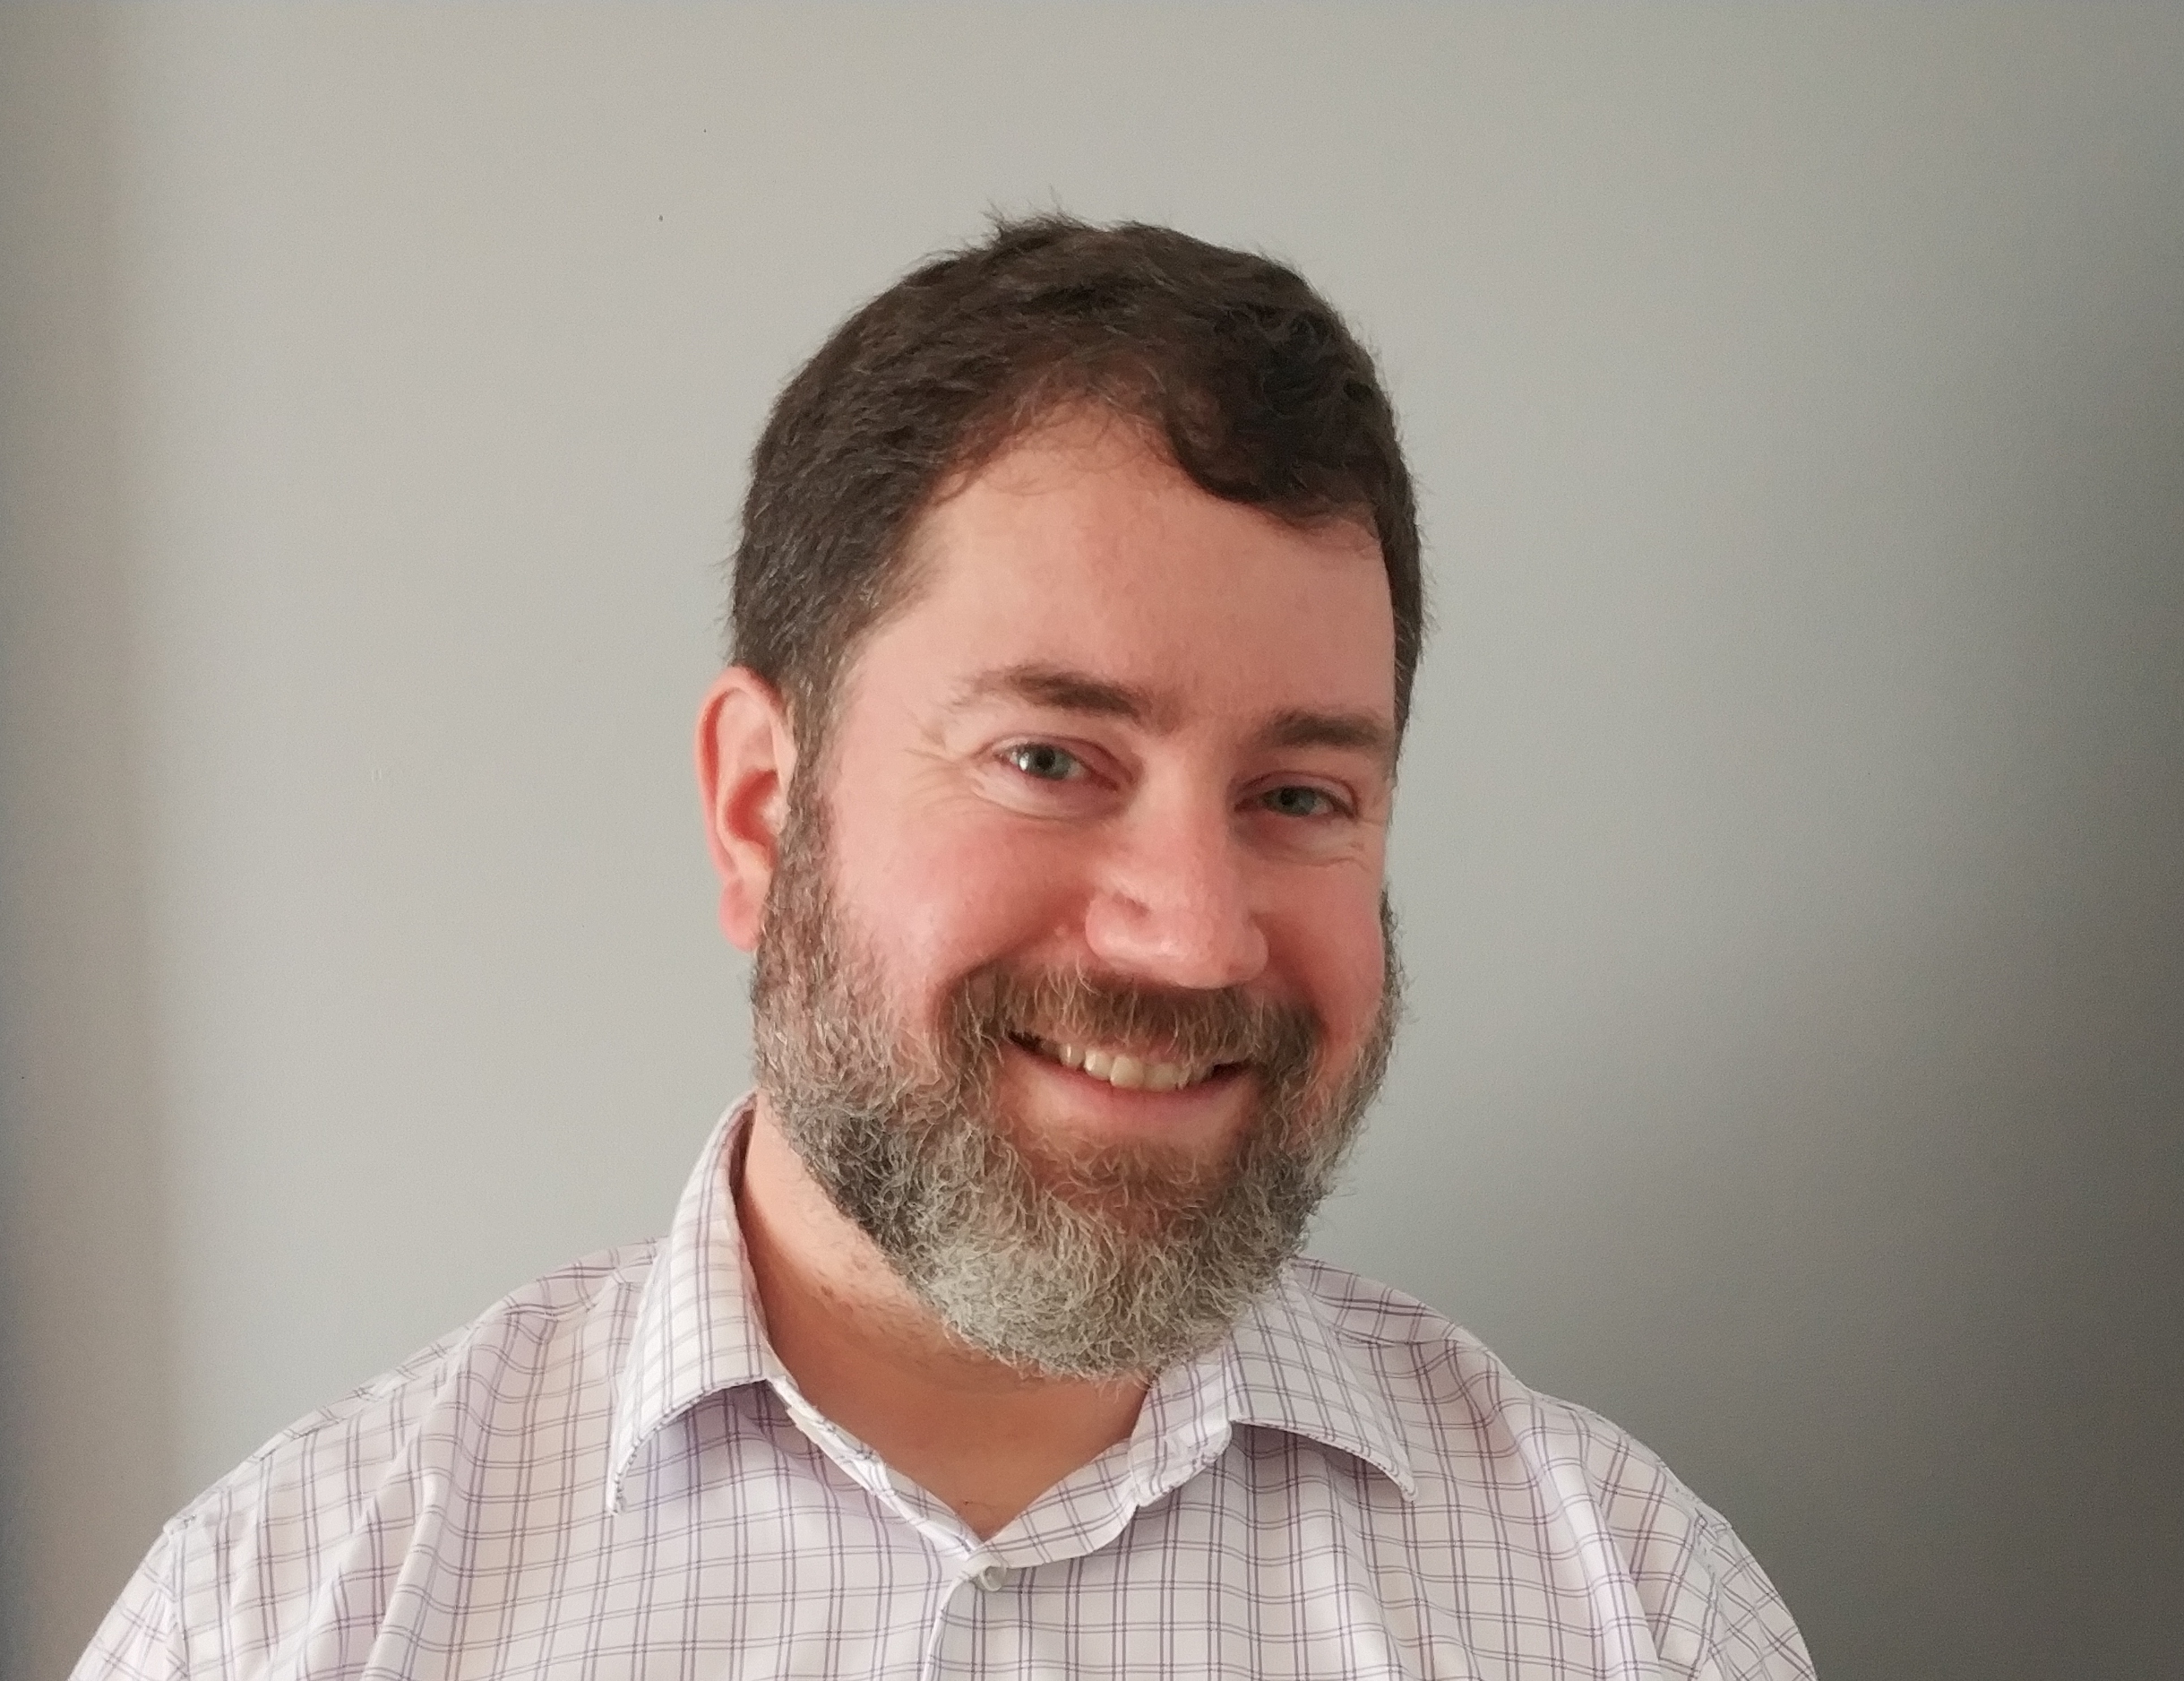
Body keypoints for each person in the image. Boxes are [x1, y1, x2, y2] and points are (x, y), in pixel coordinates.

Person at [75, 217, 1813, 1679]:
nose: (1194, 935)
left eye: (1299, 795)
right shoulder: (282, 1615)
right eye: (1050, 760)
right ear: (761, 808)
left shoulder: (1636, 1612)